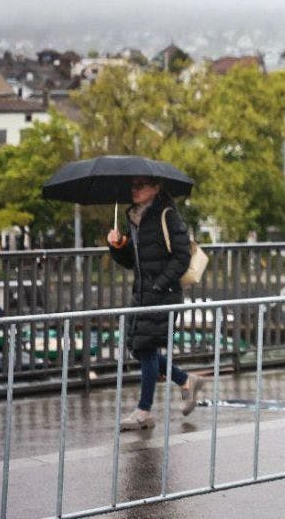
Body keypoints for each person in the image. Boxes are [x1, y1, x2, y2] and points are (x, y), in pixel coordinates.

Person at [106, 176, 204, 431]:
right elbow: (132, 261)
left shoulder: (167, 216)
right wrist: (118, 245)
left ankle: (144, 411)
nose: (134, 190)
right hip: (142, 293)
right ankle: (186, 381)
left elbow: (181, 256)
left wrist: (159, 284)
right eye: (133, 185)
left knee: (146, 347)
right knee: (137, 347)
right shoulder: (135, 218)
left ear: (156, 188)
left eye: (141, 185)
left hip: (163, 292)